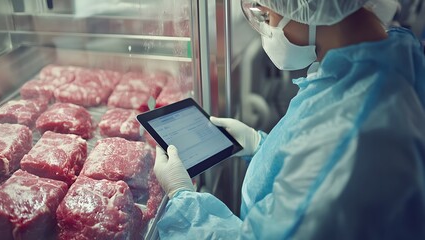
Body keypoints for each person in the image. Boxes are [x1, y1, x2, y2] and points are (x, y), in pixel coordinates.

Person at [153, 0, 425, 239]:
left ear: (310, 7)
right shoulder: (386, 57)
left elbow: (326, 164)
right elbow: (315, 163)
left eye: (268, 16)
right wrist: (262, 147)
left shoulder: (350, 139)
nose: (267, 27)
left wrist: (183, 203)